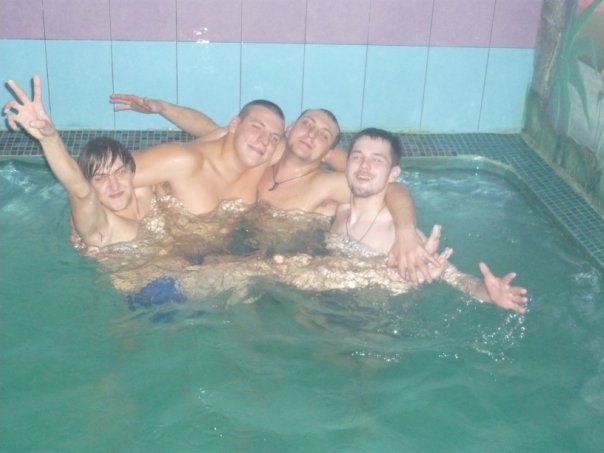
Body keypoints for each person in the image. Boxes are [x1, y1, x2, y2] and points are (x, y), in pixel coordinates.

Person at [110, 95, 437, 283]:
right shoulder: (262, 154)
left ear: (328, 152)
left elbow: (389, 189)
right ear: (290, 130)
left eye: (323, 135)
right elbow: (216, 131)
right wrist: (163, 108)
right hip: (220, 253)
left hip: (280, 269)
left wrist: (406, 233)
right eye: (308, 124)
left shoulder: (326, 185)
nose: (312, 134)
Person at [330, 127, 529, 313]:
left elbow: (452, 276)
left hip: (374, 320)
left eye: (377, 160)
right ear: (347, 165)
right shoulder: (341, 212)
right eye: (357, 157)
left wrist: (485, 292)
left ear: (393, 174)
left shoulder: (398, 235)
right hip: (334, 306)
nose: (364, 165)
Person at [3, 76, 157, 252]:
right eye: (100, 178)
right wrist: (50, 139)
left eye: (120, 172)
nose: (114, 185)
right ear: (89, 184)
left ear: (132, 171)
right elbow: (80, 192)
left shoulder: (149, 192)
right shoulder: (101, 228)